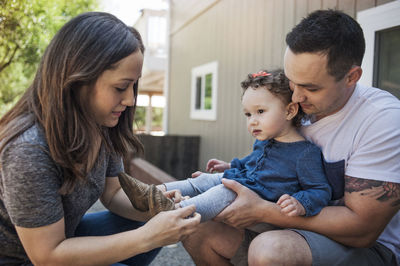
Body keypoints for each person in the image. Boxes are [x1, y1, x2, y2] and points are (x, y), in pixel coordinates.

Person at [182, 9, 400, 266]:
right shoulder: (296, 105)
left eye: (311, 87)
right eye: (292, 81)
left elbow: (363, 230)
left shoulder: (382, 119)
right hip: (284, 221)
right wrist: (234, 170)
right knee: (195, 227)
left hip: (364, 248)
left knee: (270, 250)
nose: (295, 97)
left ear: (351, 77)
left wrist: (263, 211)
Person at [0, 12, 200, 265]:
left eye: (133, 87)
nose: (130, 101)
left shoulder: (99, 124)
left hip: (66, 237)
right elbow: (46, 256)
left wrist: (155, 206)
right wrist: (148, 237)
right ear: (78, 79)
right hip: (24, 258)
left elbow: (113, 192)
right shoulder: (28, 149)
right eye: (120, 87)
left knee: (148, 219)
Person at [119, 69, 331, 222]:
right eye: (248, 114)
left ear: (289, 111)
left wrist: (301, 203)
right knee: (202, 180)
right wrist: (229, 166)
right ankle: (151, 192)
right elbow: (250, 162)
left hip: (255, 197)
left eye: (260, 112)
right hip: (243, 179)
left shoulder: (305, 153)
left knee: (220, 192)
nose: (252, 121)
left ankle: (176, 211)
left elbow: (320, 190)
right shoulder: (264, 140)